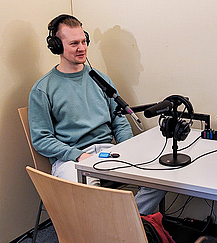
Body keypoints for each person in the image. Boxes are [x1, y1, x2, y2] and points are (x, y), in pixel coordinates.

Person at [28, 14, 166, 215]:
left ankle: (127, 225)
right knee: (90, 195)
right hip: (71, 158)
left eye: (84, 41)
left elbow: (119, 120)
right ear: (56, 46)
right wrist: (79, 155)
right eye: (74, 43)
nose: (82, 48)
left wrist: (127, 148)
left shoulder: (102, 80)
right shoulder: (42, 89)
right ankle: (117, 229)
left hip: (107, 151)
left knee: (159, 179)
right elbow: (41, 139)